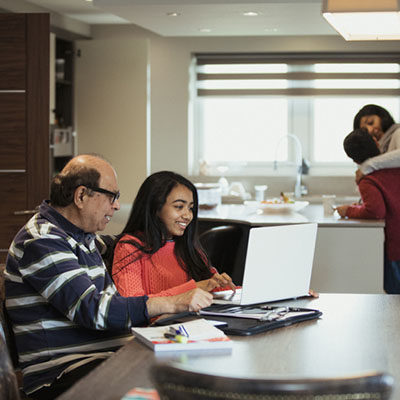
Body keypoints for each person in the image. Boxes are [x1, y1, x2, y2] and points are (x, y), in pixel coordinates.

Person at [4, 155, 213, 399]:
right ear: (81, 196)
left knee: (191, 377)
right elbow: (93, 309)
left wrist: (162, 228)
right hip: (63, 373)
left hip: (110, 357)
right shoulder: (42, 240)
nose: (115, 206)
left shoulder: (83, 237)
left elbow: (128, 246)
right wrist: (175, 301)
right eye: (112, 196)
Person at [111, 171, 236, 298]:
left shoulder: (188, 247)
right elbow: (133, 306)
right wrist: (194, 288)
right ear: (156, 208)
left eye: (190, 208)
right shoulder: (129, 248)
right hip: (166, 319)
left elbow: (210, 287)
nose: (188, 216)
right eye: (179, 206)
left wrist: (222, 285)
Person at [336, 128, 400, 294]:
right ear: (377, 143)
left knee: (394, 296)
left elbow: (375, 211)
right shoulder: (395, 168)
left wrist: (348, 210)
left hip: (396, 244)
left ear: (353, 159)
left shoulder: (368, 180)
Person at [352, 104, 400, 181]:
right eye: (365, 130)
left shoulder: (397, 132)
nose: (370, 130)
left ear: (382, 118)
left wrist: (369, 165)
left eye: (371, 123)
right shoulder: (376, 151)